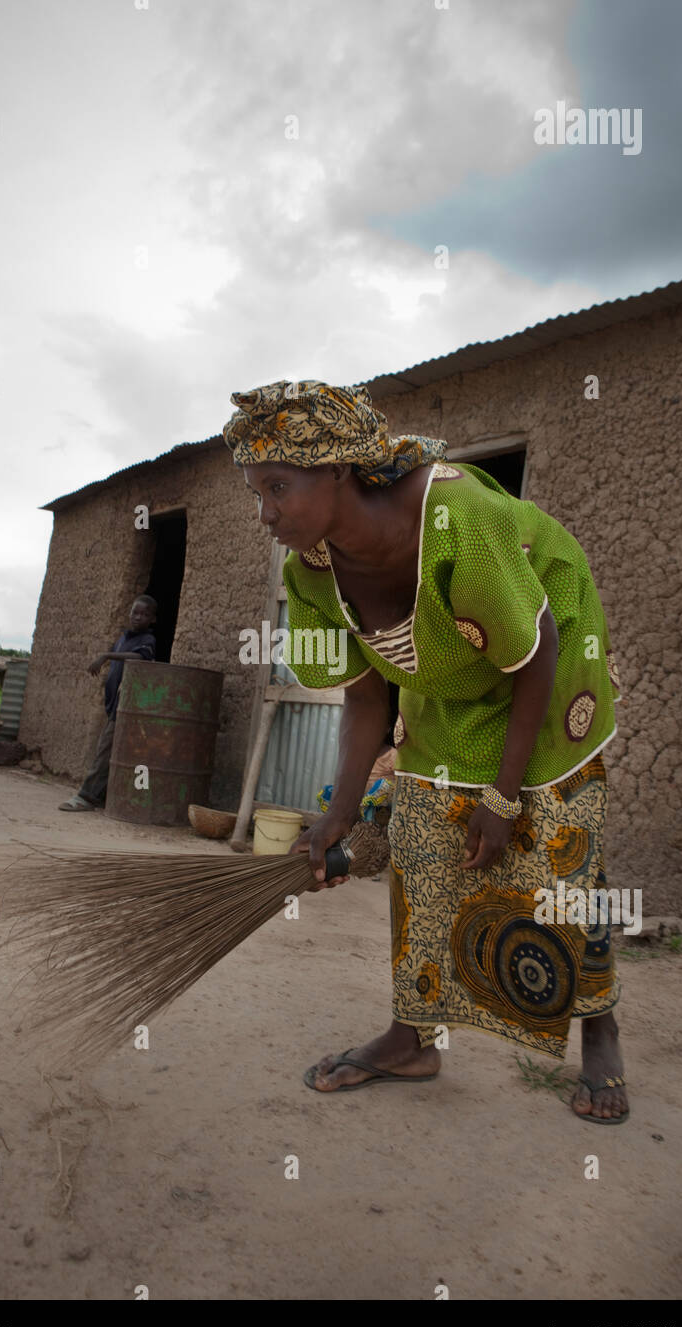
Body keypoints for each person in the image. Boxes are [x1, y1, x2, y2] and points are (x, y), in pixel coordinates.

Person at [223, 379, 629, 1125]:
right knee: (421, 843)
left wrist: (503, 800)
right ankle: (413, 1039)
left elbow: (535, 656)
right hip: (444, 673)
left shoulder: (458, 520)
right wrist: (336, 815)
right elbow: (363, 695)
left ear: (340, 469)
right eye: (257, 493)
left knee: (561, 852)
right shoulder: (307, 570)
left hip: (548, 656)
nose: (266, 512)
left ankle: (599, 1031)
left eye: (278, 487)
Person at [59, 594, 158, 812]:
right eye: (135, 612)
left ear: (153, 620)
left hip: (129, 707)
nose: (138, 617)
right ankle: (103, 795)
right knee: (111, 751)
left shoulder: (147, 641)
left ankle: (86, 797)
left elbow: (141, 659)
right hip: (115, 706)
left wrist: (106, 655)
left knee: (105, 750)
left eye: (144, 614)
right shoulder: (123, 639)